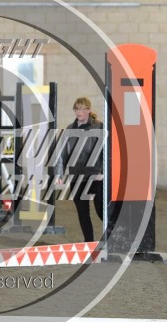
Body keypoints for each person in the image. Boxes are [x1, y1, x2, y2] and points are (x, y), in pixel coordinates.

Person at [56, 97, 104, 242]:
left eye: (82, 108)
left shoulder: (99, 127)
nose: (78, 112)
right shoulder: (70, 130)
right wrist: (59, 174)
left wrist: (103, 172)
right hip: (77, 177)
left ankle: (112, 238)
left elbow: (107, 151)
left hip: (96, 177)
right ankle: (89, 243)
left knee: (102, 211)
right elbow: (62, 154)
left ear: (88, 110)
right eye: (76, 109)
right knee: (83, 213)